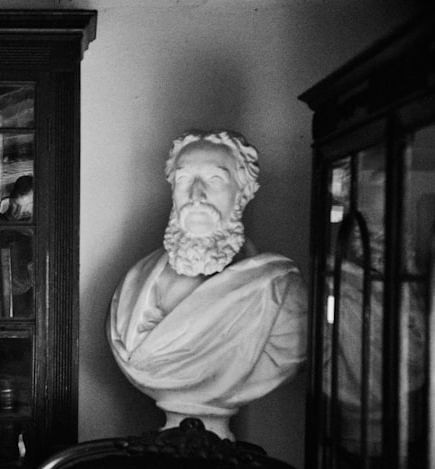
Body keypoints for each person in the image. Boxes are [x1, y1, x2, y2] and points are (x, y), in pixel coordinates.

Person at [106, 129, 308, 440]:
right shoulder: (134, 284)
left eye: (214, 181)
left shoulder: (278, 291)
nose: (196, 195)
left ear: (242, 192)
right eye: (185, 180)